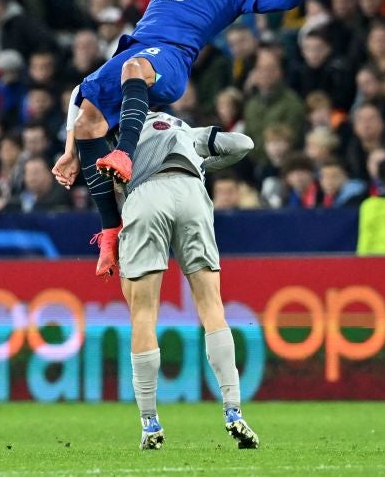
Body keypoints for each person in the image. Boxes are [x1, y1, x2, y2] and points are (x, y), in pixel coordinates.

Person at [50, 0, 359, 260]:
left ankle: (123, 153)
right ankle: (110, 232)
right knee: (87, 120)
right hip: (136, 49)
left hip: (171, 61)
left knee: (132, 68)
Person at [57, 99, 257, 449]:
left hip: (146, 195)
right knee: (212, 306)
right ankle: (233, 410)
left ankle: (150, 422)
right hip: (192, 191)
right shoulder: (184, 129)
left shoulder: (118, 140)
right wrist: (202, 160)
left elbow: (98, 182)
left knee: (143, 314)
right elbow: (244, 144)